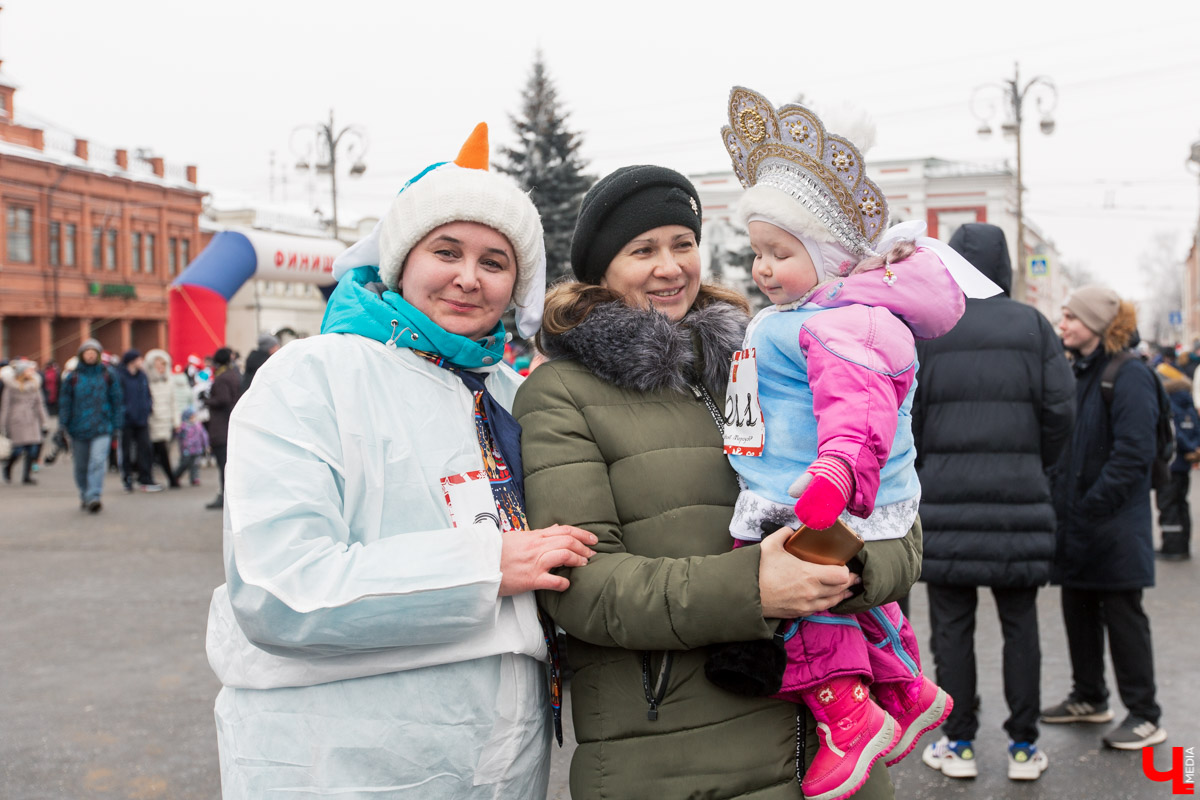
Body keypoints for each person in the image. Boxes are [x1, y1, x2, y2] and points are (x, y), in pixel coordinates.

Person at [204, 123, 596, 799]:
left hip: (504, 758)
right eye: (447, 250)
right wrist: (485, 565)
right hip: (341, 759)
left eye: (495, 262)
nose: (468, 278)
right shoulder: (313, 375)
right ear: (401, 260)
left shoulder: (510, 392)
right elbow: (279, 590)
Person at [514, 160, 924, 800]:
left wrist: (844, 571)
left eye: (683, 243)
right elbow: (581, 587)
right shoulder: (561, 394)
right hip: (679, 758)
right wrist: (756, 587)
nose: (670, 265)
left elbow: (899, 526)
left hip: (838, 748)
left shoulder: (766, 358)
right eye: (642, 249)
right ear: (600, 270)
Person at [694, 87, 1001, 800]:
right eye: (757, 252)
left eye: (779, 253)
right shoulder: (815, 311)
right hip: (812, 486)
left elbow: (859, 413)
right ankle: (905, 688)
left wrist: (832, 479)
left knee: (800, 605)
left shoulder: (843, 322)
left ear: (829, 255)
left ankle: (849, 719)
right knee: (848, 601)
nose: (762, 268)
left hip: (820, 495)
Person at [908, 223, 1075, 780]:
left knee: (951, 629)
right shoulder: (1034, 326)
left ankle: (958, 744)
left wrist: (931, 467)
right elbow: (1060, 414)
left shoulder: (929, 329)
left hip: (945, 505)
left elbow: (912, 418)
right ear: (1005, 268)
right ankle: (1023, 748)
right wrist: (1033, 461)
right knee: (1020, 625)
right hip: (1019, 501)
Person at [1041, 285, 1167, 750]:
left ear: (1097, 324)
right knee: (1079, 610)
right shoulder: (1078, 371)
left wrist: (1090, 505)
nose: (1064, 323)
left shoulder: (1129, 374)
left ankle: (1146, 713)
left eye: (1072, 316)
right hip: (1077, 521)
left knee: (1122, 616)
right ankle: (1089, 697)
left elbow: (1135, 454)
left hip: (1114, 523)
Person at [58, 339, 123, 512]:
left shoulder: (108, 374)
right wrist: (62, 425)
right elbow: (65, 402)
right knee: (81, 465)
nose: (91, 355)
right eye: (87, 352)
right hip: (78, 429)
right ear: (81, 355)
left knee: (97, 462)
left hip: (102, 427)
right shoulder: (73, 377)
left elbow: (117, 400)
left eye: (94, 352)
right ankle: (84, 493)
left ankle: (94, 495)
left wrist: (117, 424)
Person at [1155, 362, 1200, 560]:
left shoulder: (1168, 403)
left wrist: (1188, 447)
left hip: (1171, 464)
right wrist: (1195, 449)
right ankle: (1183, 544)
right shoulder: (1188, 403)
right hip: (1185, 464)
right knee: (1181, 503)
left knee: (1168, 504)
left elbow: (1173, 433)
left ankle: (1172, 547)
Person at [117, 349, 162, 492]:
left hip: (142, 419)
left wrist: (148, 408)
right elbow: (118, 398)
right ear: (132, 361)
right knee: (127, 451)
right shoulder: (120, 376)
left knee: (146, 449)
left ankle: (146, 478)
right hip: (127, 420)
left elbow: (147, 394)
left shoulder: (142, 376)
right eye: (138, 359)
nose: (141, 362)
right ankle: (127, 479)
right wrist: (124, 412)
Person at [202, 347, 240, 509]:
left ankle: (225, 496)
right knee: (229, 465)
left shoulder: (222, 378)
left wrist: (207, 400)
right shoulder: (235, 375)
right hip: (231, 426)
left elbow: (223, 400)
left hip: (221, 427)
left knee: (223, 465)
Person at [2, 359, 49, 486]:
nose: (32, 372)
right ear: (22, 372)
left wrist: (44, 422)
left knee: (33, 450)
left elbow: (40, 404)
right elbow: (5, 406)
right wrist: (2, 425)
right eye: (29, 370)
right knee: (17, 449)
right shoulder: (11, 386)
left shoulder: (35, 385)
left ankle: (27, 476)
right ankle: (8, 466)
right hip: (16, 420)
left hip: (32, 420)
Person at [144, 349, 181, 489]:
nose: (160, 368)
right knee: (155, 452)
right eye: (157, 365)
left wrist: (176, 421)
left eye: (163, 365)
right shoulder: (147, 382)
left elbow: (174, 403)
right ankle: (166, 479)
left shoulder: (169, 382)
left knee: (163, 452)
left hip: (165, 422)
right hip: (152, 421)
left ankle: (169, 478)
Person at [172, 407, 208, 486]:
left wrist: (206, 445)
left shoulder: (198, 425)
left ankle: (194, 478)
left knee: (195, 464)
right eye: (192, 416)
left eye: (194, 416)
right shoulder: (183, 426)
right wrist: (177, 432)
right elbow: (177, 435)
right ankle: (175, 476)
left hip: (197, 449)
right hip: (186, 449)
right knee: (184, 464)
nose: (193, 418)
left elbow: (204, 435)